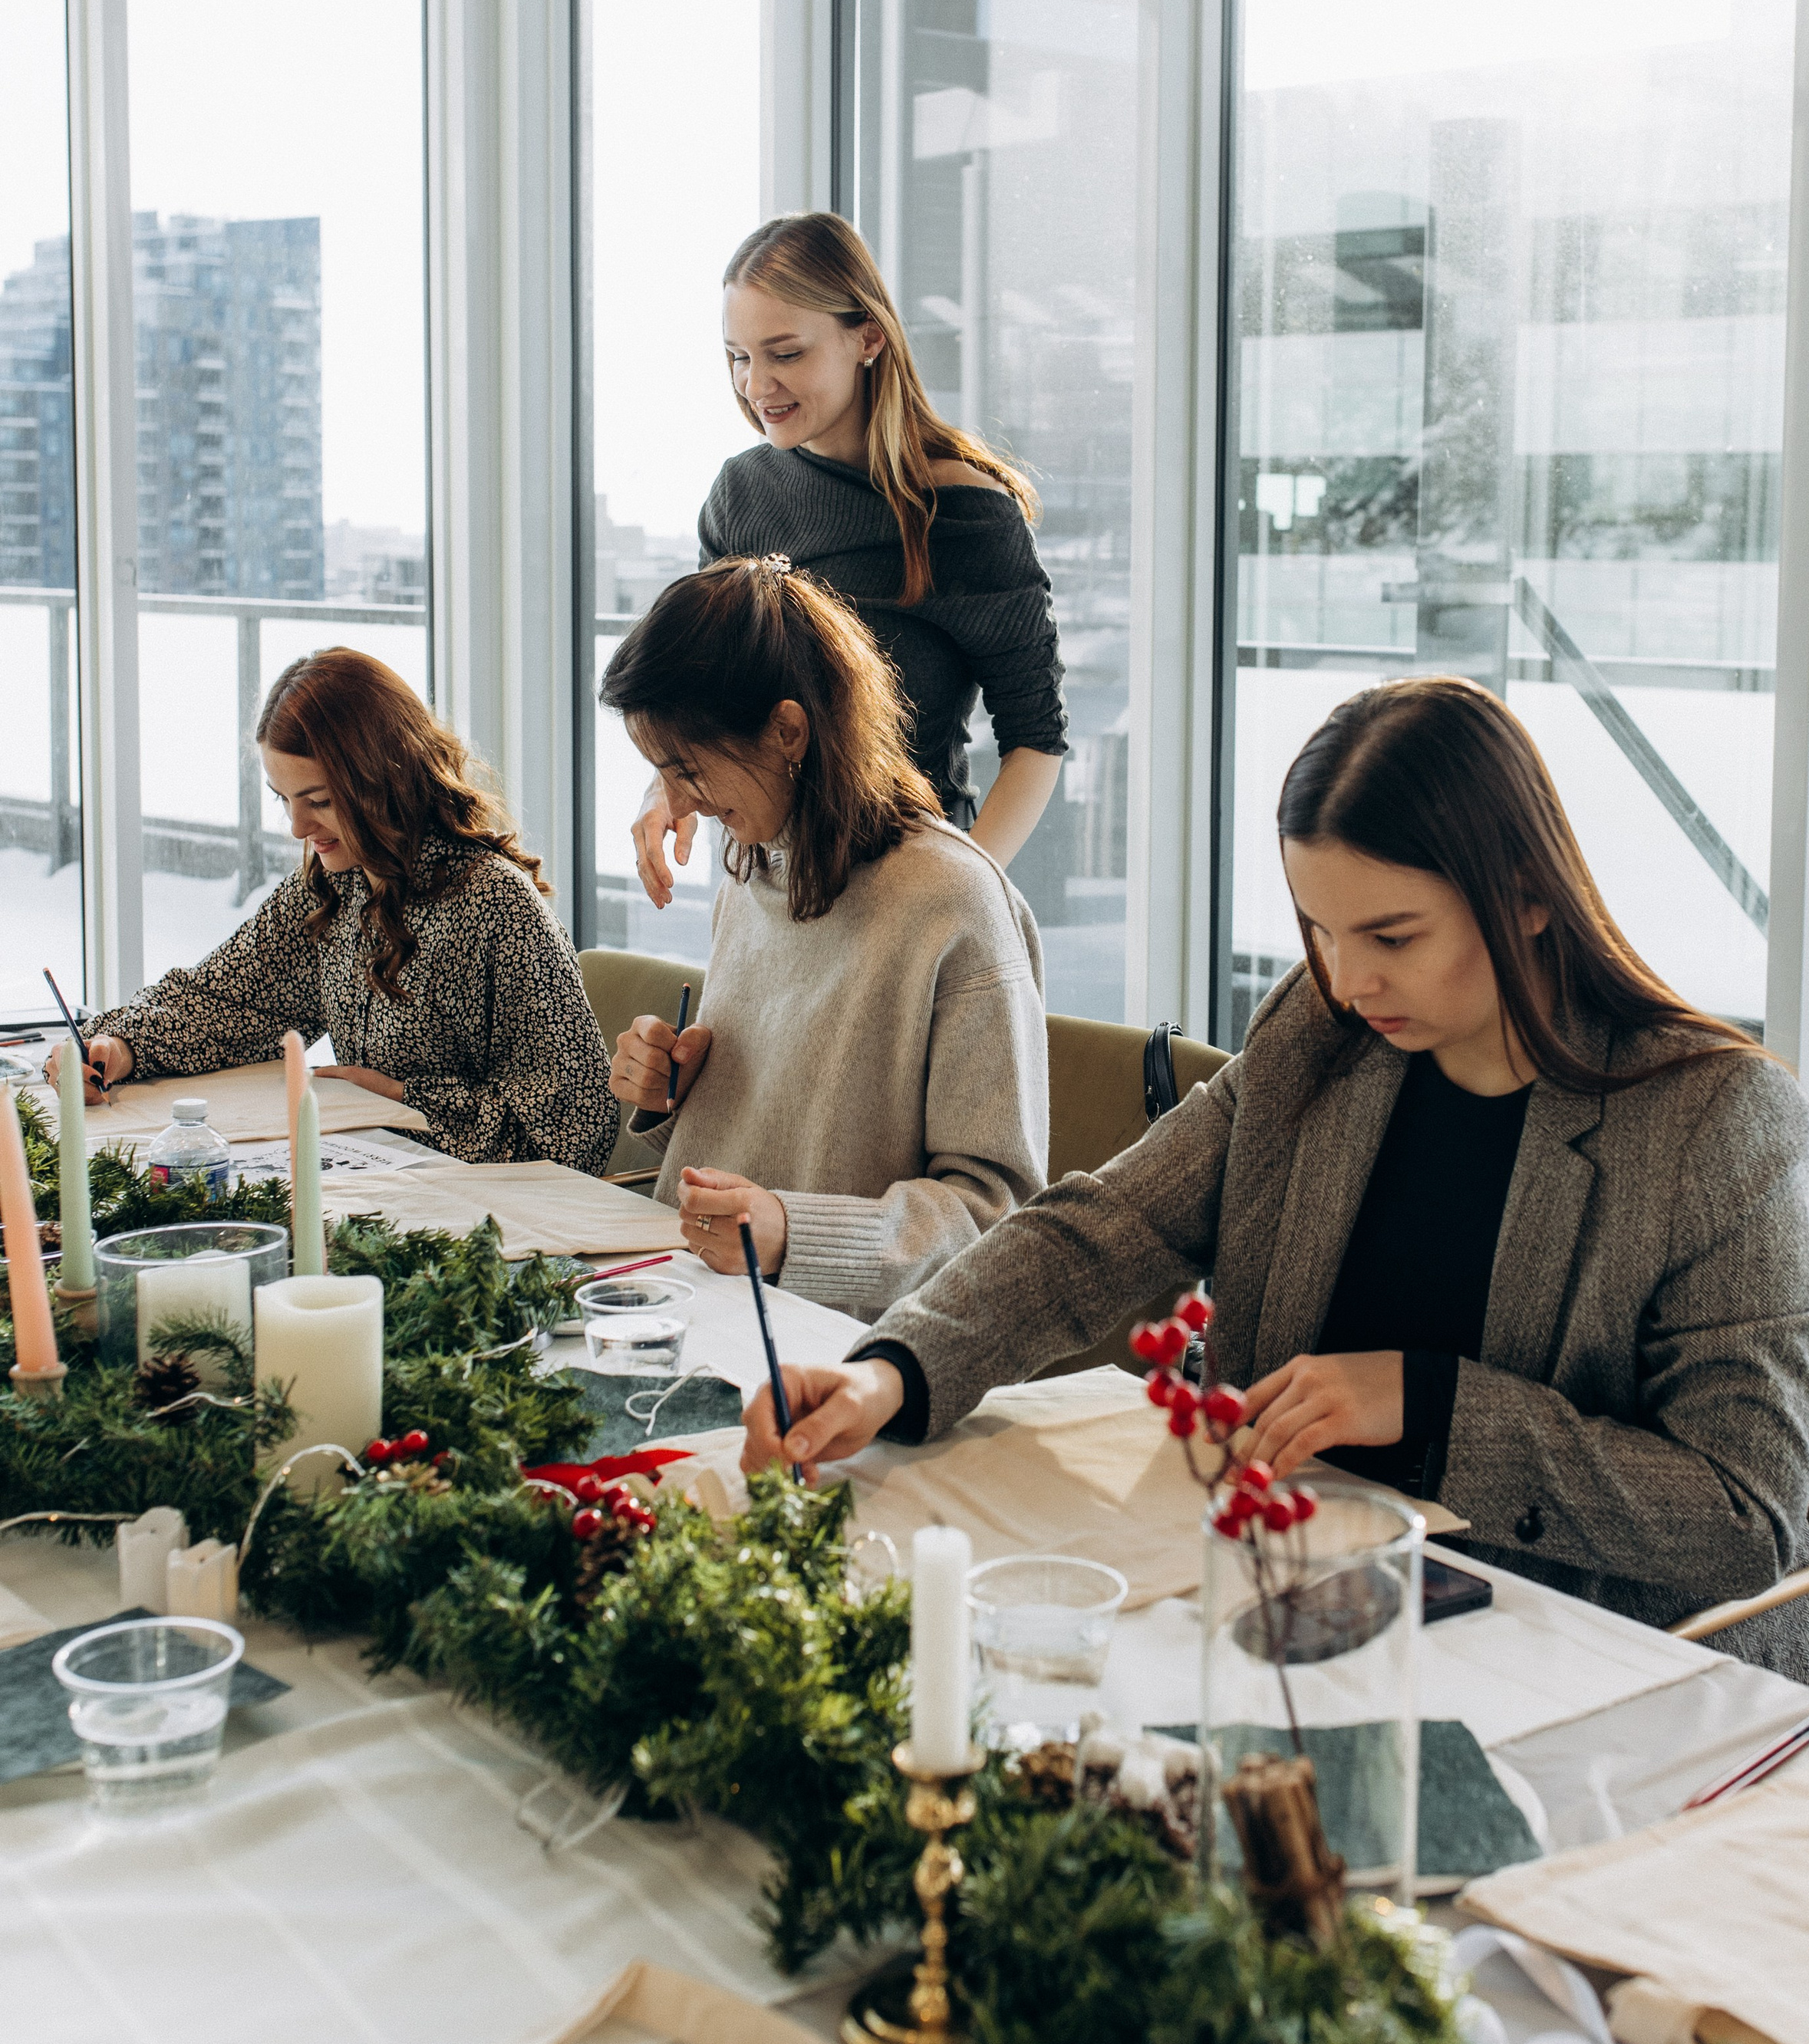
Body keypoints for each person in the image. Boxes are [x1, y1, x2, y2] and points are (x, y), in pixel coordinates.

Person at [740, 676, 1809, 1684]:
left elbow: (1742, 1518)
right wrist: (895, 1369)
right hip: (1313, 1605)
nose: (1352, 976)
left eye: (1393, 935)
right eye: (1318, 926)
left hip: (1613, 1663)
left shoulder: (1718, 1123)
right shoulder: (1324, 1034)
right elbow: (1103, 1228)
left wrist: (1426, 1403)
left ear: (1529, 894)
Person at [601, 554, 1047, 1321]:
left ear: (786, 731)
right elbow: (772, 1136)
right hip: (708, 1301)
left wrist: (790, 1235)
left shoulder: (953, 901)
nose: (679, 804)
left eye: (688, 770)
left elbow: (995, 1218)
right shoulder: (751, 865)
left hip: (848, 1359)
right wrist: (667, 1096)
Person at [631, 211, 1067, 915]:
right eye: (738, 357)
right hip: (764, 890)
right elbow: (703, 700)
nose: (756, 385)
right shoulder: (739, 495)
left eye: (786, 353)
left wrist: (961, 889)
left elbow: (1036, 741)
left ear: (868, 336)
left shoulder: (963, 514)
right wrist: (668, 786)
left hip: (910, 889)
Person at [59, 648, 616, 1174]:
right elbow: (225, 1001)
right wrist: (118, 1046)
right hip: (386, 1181)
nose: (298, 828)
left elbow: (574, 1130)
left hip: (488, 1216)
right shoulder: (333, 888)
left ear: (385, 778)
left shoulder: (496, 904)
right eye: (284, 800)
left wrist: (405, 1099)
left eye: (319, 802)